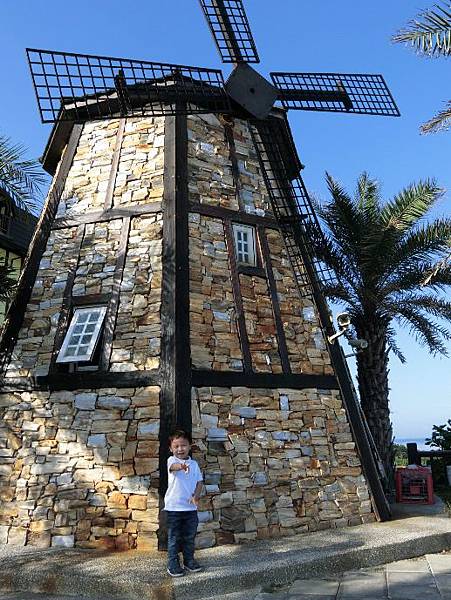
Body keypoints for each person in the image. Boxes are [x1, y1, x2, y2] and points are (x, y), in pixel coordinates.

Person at [164, 429, 204, 577]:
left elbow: (199, 482)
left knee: (189, 536)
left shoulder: (194, 464)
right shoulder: (172, 461)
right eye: (176, 446)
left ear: (189, 446)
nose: (180, 449)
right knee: (174, 537)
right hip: (174, 508)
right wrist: (181, 466)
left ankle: (189, 560)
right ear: (171, 449)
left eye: (183, 445)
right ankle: (173, 563)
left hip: (190, 508)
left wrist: (196, 496)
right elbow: (173, 468)